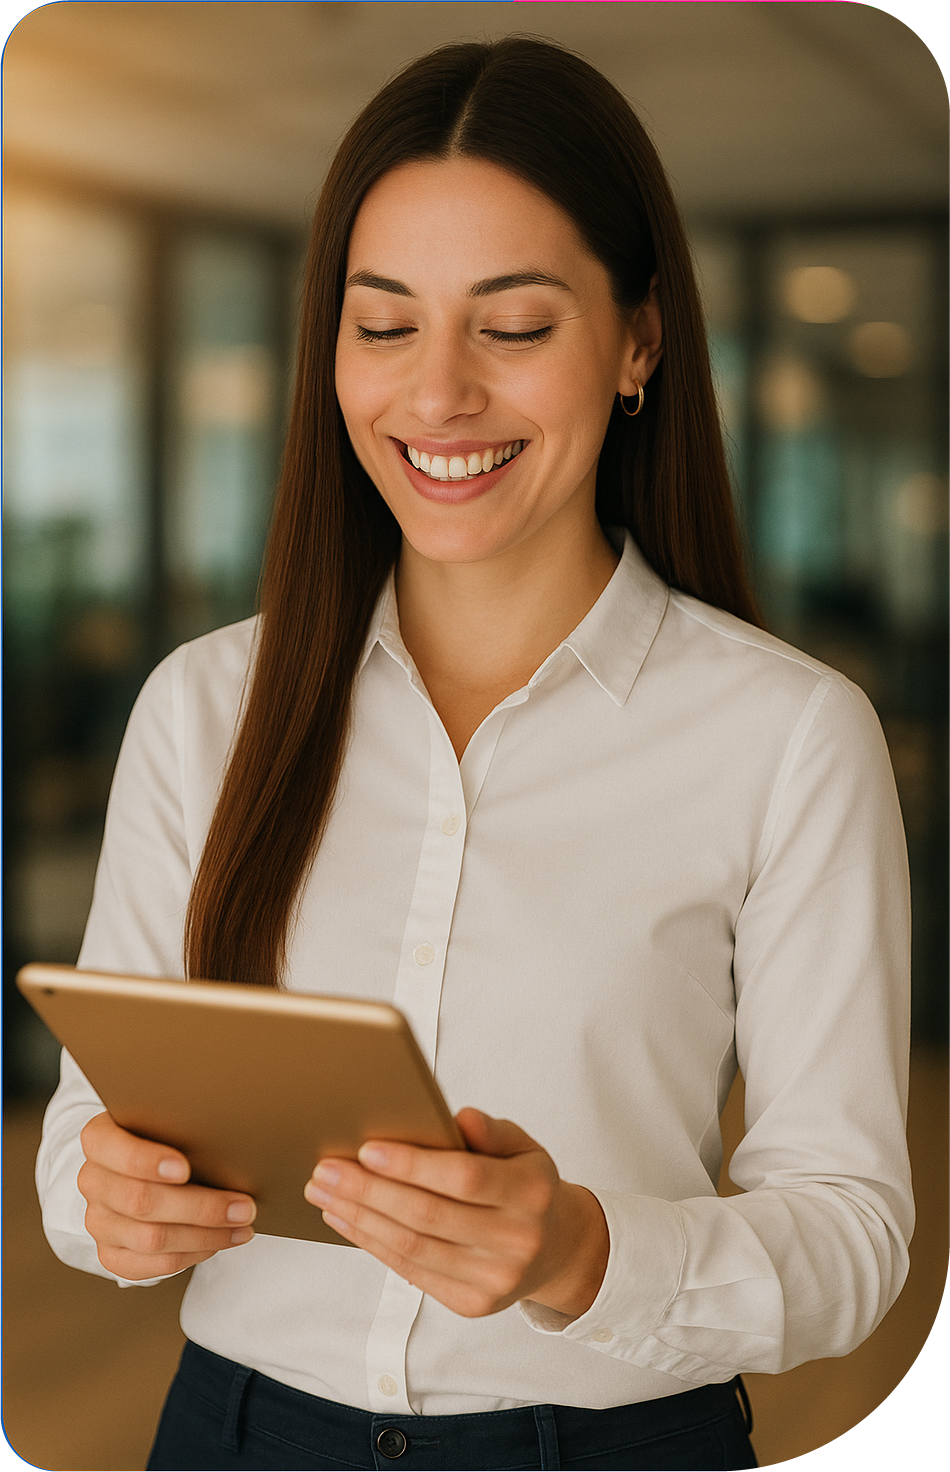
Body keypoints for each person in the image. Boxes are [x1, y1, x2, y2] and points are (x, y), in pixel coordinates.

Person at [36, 36, 913, 1472]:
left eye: (510, 327)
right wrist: (108, 1204)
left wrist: (580, 1251)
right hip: (235, 1433)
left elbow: (849, 1232)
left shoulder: (787, 736)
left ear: (637, 344)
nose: (435, 395)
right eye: (383, 327)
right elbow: (88, 1144)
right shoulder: (205, 707)